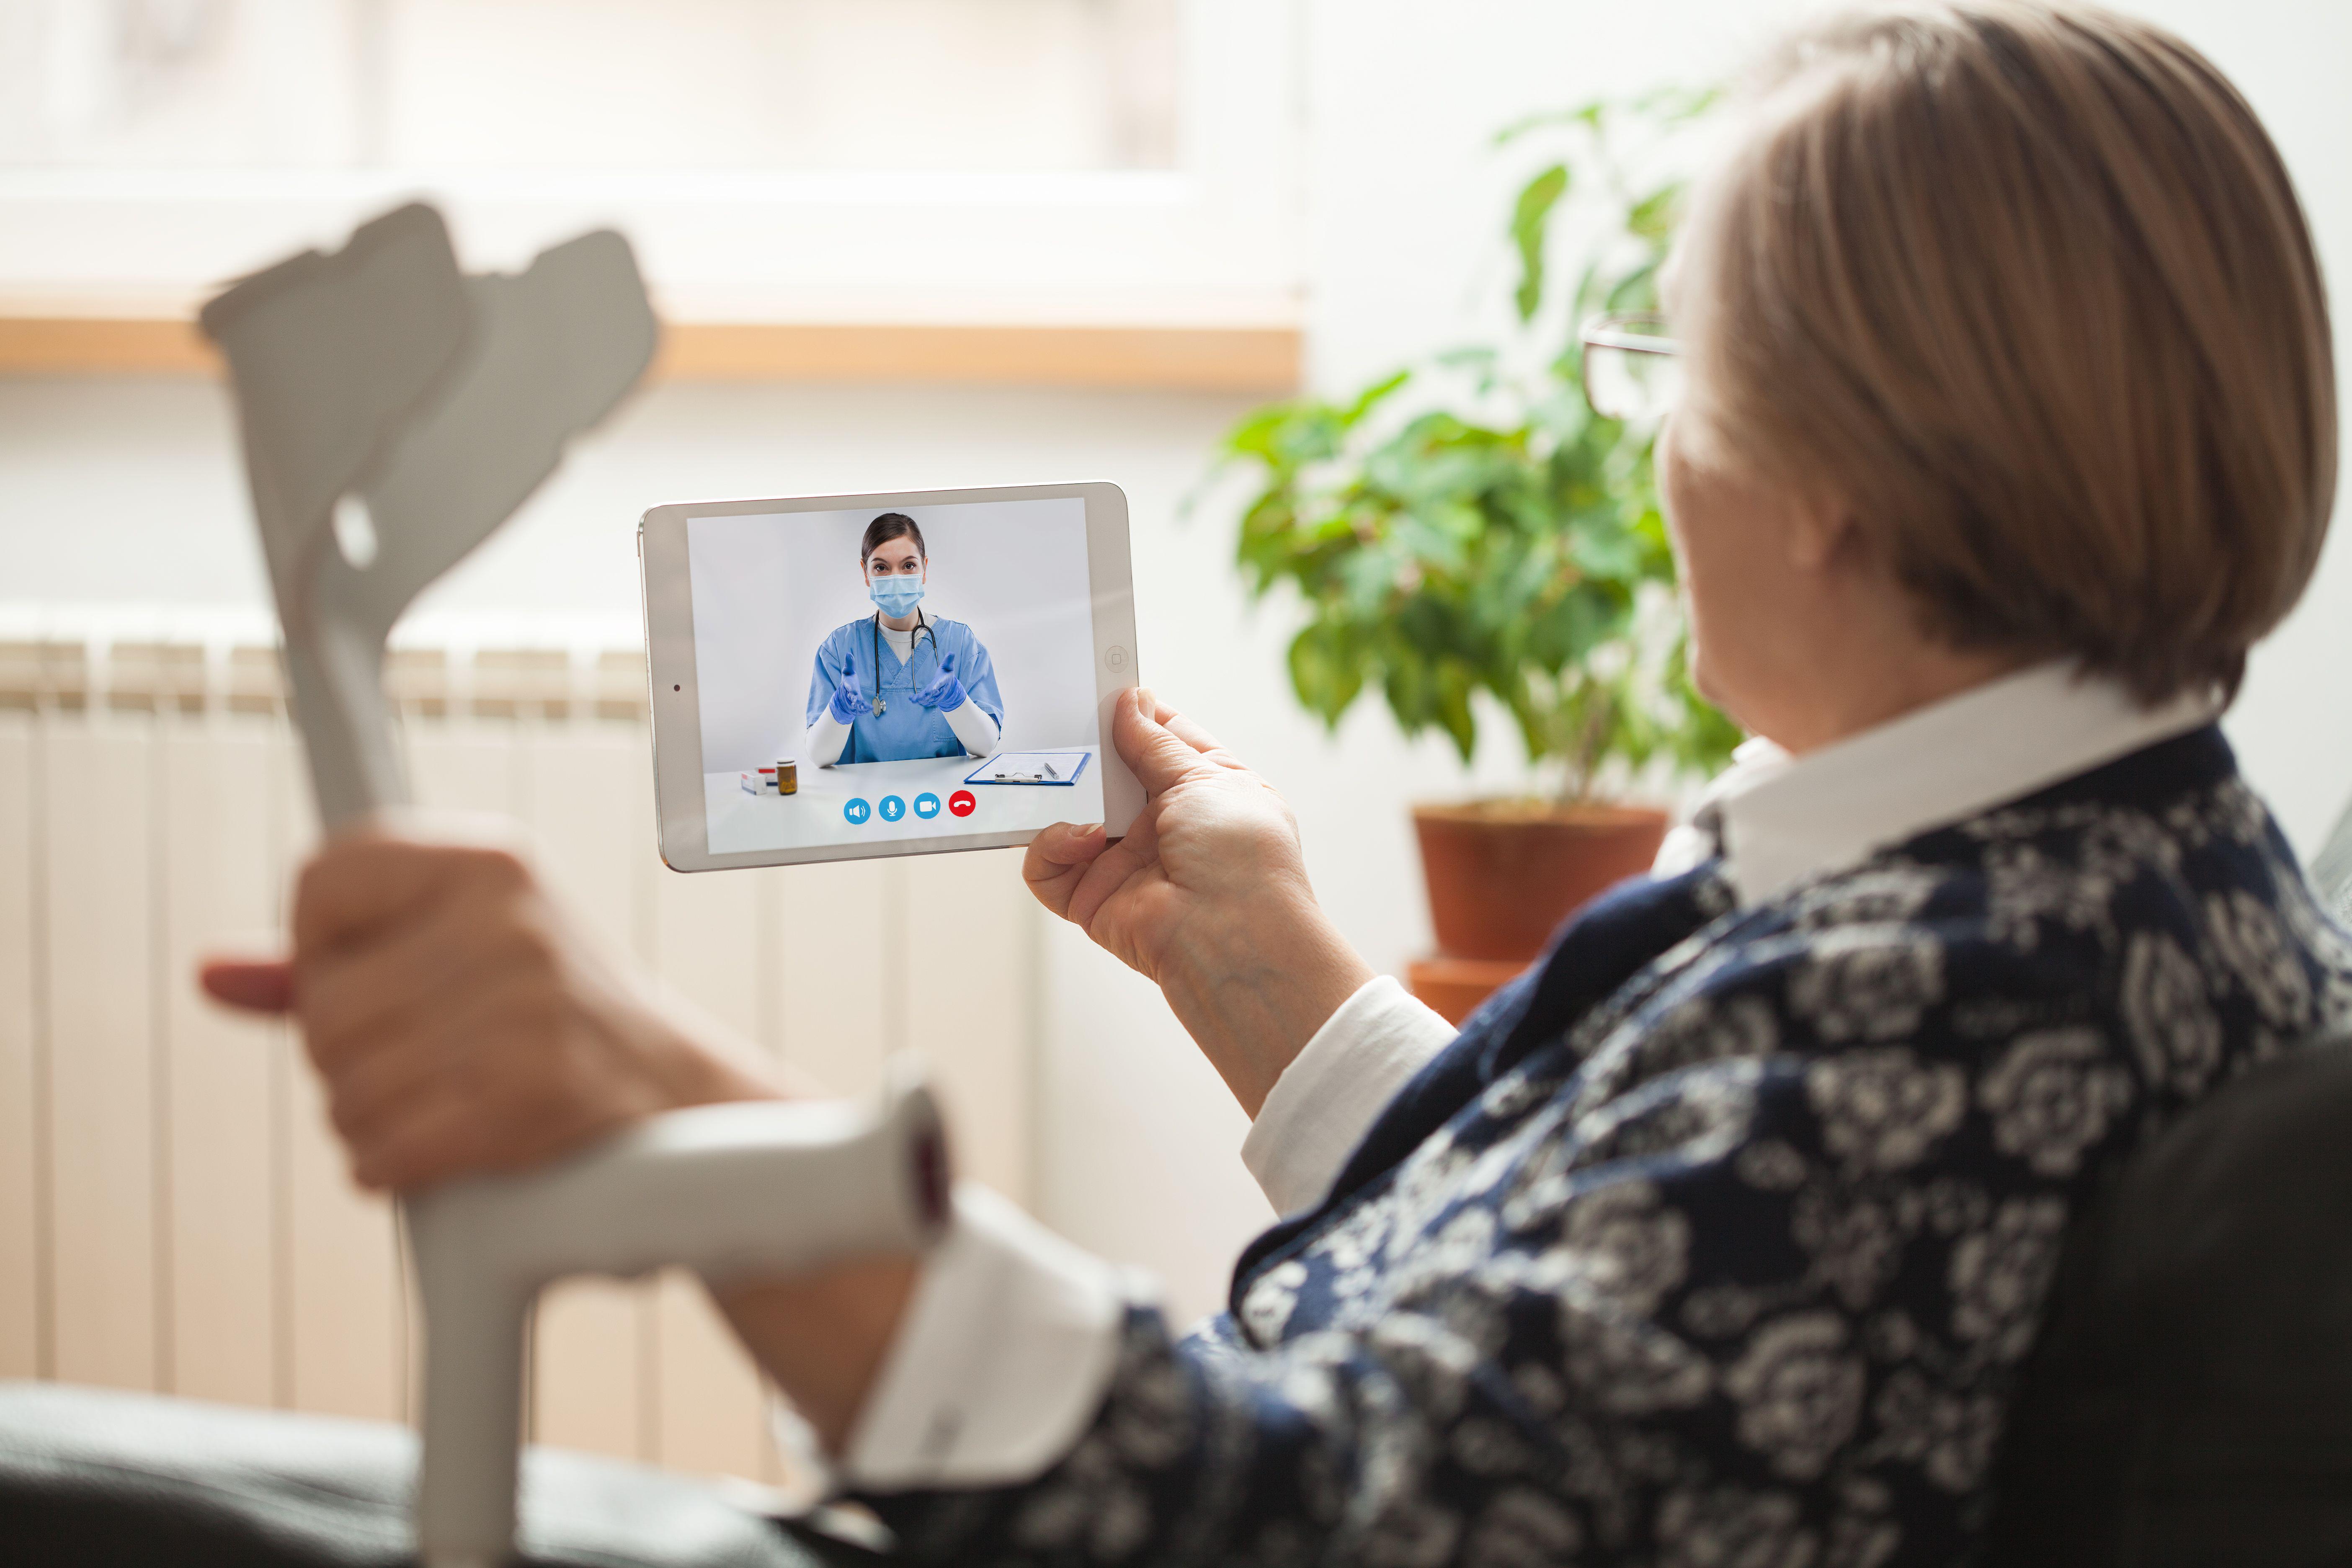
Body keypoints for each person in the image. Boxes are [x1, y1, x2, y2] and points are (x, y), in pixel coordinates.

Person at [199, 3, 2348, 1562]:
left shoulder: (1924, 1015)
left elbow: (1305, 1521)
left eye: (1685, 379)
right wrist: (1269, 977)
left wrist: (675, 1105)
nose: (1656, 449)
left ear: (1843, 490)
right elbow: (1603, 1314)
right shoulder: (2111, 868)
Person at [804, 512, 1004, 766]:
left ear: (924, 569)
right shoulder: (840, 649)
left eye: (909, 565)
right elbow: (820, 757)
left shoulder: (959, 643)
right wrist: (840, 710)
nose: (895, 578)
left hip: (942, 800)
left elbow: (986, 745)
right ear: (866, 574)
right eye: (881, 567)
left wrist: (957, 701)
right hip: (867, 802)